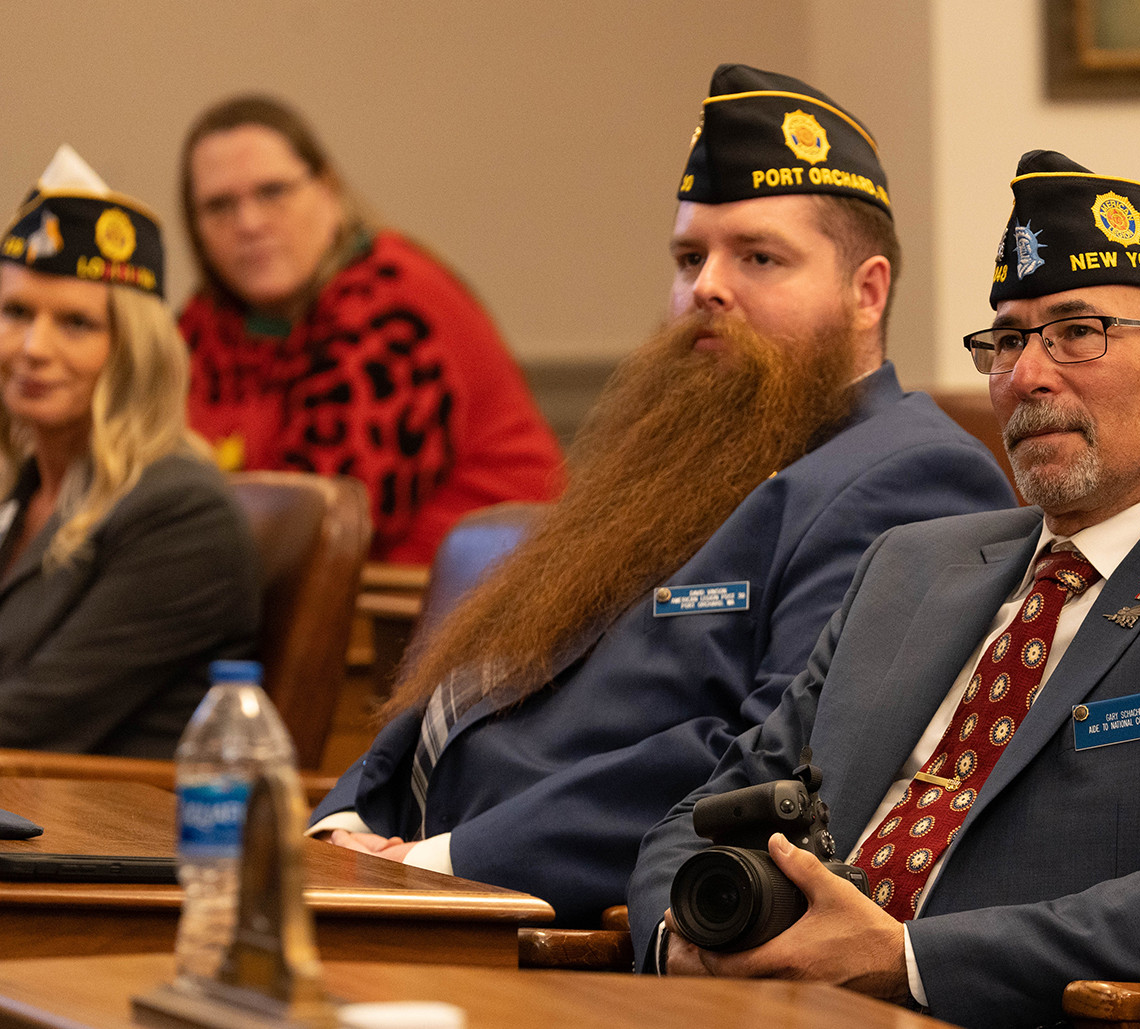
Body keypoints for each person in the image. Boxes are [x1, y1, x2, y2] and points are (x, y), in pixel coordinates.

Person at [630, 149, 1140, 1029]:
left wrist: (907, 961)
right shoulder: (909, 565)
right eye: (1007, 340)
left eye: (1077, 333)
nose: (1026, 376)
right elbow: (703, 813)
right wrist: (678, 941)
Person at [307, 65, 1016, 927]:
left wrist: (442, 864)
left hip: (560, 923)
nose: (706, 286)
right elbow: (480, 680)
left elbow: (767, 765)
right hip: (410, 887)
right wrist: (347, 822)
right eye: (689, 257)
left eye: (758, 257)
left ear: (866, 292)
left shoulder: (911, 474)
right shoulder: (680, 455)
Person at [177, 95, 562, 563]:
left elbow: (323, 526)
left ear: (329, 192)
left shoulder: (394, 303)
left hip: (491, 590)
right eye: (219, 206)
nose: (249, 223)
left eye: (272, 192)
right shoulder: (204, 325)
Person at [0, 147, 260, 758]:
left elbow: (33, 721)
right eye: (15, 312)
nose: (33, 347)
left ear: (136, 351)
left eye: (76, 323)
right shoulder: (31, 490)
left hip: (96, 813)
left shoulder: (183, 512)